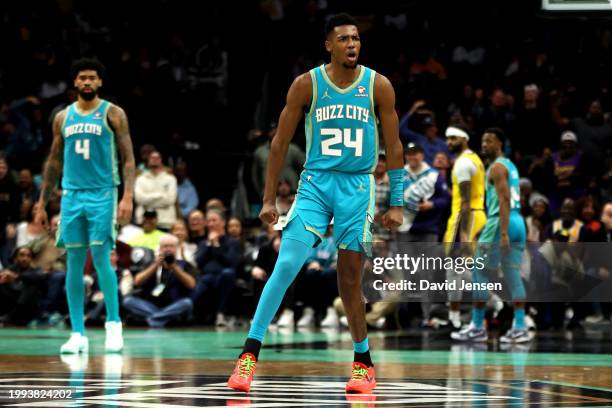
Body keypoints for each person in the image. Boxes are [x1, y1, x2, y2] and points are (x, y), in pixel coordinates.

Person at [228, 13, 404, 394]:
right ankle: (248, 356)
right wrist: (269, 198)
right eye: (343, 39)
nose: (352, 44)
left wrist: (398, 202)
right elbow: (278, 144)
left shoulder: (379, 85)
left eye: (356, 38)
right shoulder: (307, 84)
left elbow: (394, 146)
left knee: (349, 280)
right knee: (286, 264)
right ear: (329, 44)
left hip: (357, 188)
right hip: (315, 183)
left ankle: (363, 362)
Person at [35, 58, 136, 354]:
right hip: (71, 195)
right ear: (75, 83)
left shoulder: (113, 113)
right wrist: (42, 202)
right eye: (82, 78)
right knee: (74, 263)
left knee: (102, 258)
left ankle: (114, 324)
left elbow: (128, 158)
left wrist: (127, 196)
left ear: (100, 82)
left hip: (103, 193)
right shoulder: (62, 117)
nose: (88, 82)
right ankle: (78, 333)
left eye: (92, 77)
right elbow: (53, 161)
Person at [451, 128, 532, 343]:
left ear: (500, 144)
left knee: (479, 273)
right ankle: (520, 326)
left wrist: (503, 232)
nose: (484, 145)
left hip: (500, 222)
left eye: (489, 141)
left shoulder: (496, 167)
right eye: (483, 141)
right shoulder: (511, 166)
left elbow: (504, 200)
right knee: (513, 275)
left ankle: (477, 326)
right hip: (518, 221)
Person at [442, 125, 487, 329]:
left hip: (466, 218)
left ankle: (454, 316)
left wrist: (465, 234)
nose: (449, 142)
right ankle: (496, 303)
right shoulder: (475, 159)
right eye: (448, 139)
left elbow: (466, 202)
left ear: (464, 139)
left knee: (454, 268)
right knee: (467, 268)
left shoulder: (462, 165)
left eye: (454, 138)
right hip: (477, 216)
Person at [122, 234, 196, 328]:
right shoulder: (151, 263)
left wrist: (174, 267)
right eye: (165, 246)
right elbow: (137, 281)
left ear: (176, 248)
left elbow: (191, 284)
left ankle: (154, 319)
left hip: (174, 305)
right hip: (150, 306)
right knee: (128, 301)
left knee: (187, 303)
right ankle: (162, 318)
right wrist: (155, 265)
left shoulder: (184, 264)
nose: (168, 249)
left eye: (171, 246)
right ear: (160, 248)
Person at [134, 151, 178, 230]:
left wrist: (147, 201)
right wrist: (160, 196)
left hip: (165, 222)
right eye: (152, 158)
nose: (155, 160)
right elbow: (139, 199)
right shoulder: (140, 179)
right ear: (148, 160)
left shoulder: (171, 179)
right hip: (144, 222)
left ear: (161, 160)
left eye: (157, 158)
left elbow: (170, 200)